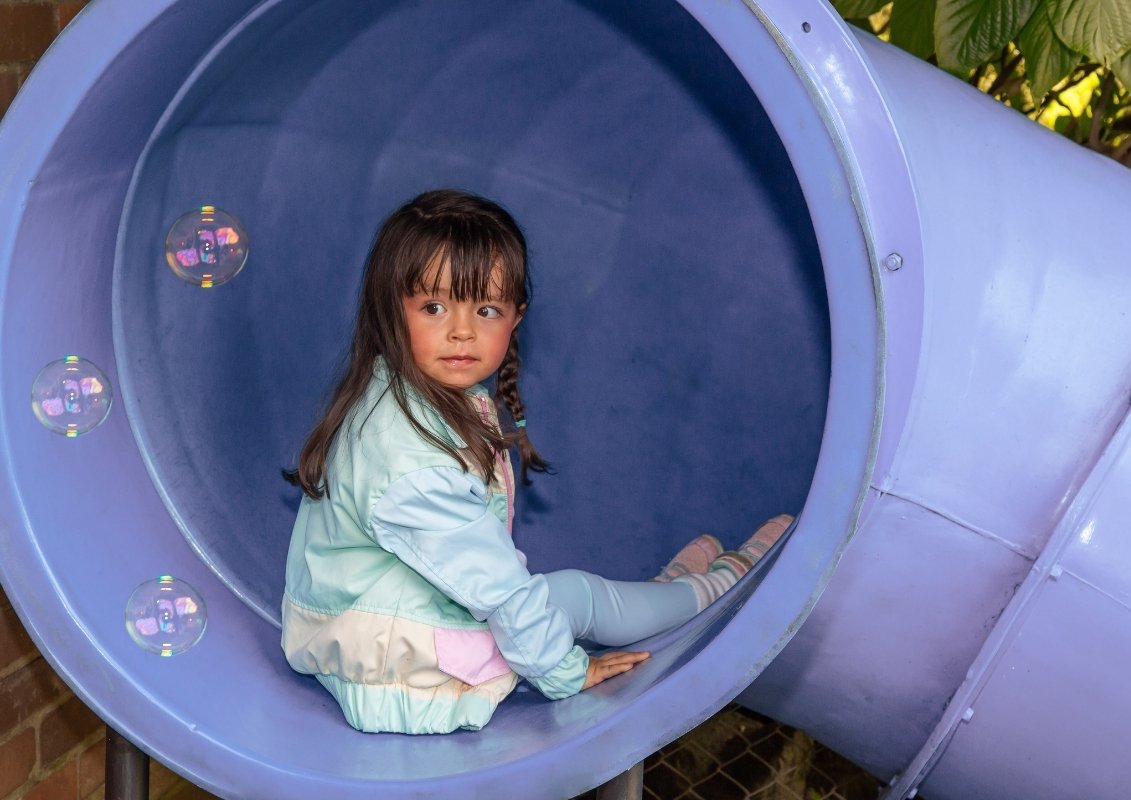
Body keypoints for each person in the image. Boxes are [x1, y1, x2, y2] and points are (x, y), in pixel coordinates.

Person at [281, 189, 791, 734]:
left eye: (487, 309)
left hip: (357, 623)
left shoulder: (402, 392)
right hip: (398, 666)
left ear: (515, 317)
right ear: (390, 309)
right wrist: (566, 672)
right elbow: (499, 591)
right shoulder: (412, 464)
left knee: (560, 600)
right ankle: (715, 590)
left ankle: (667, 593)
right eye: (433, 307)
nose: (462, 330)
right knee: (572, 597)